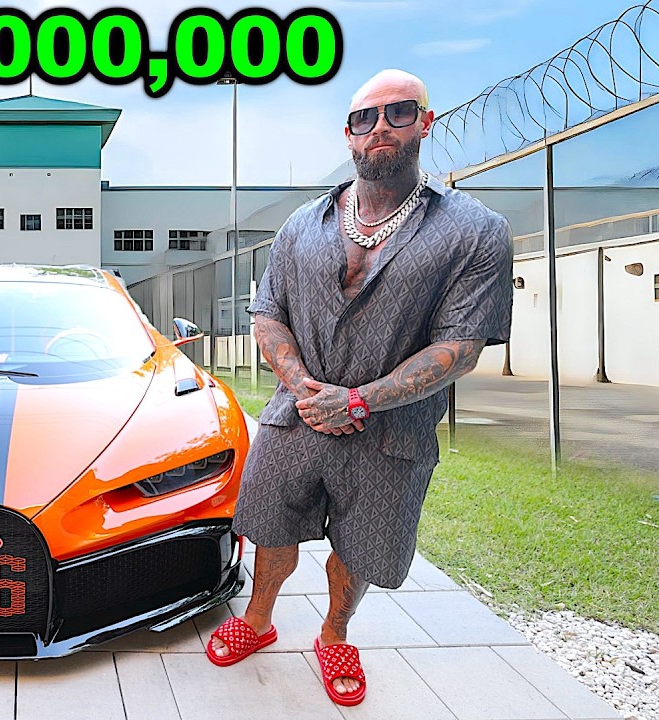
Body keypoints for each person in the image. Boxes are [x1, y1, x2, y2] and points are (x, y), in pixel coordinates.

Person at [205, 69, 513, 706]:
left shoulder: (474, 231)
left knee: (363, 546)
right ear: (348, 134)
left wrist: (361, 400)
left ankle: (334, 633)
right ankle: (258, 619)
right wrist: (305, 389)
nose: (379, 128)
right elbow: (268, 313)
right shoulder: (303, 224)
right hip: (295, 417)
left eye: (398, 112)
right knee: (269, 526)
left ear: (425, 122)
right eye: (364, 118)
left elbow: (461, 346)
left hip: (391, 431)